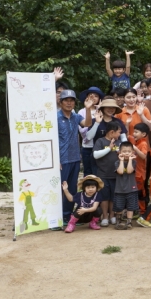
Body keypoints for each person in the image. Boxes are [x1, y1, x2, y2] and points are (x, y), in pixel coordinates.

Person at [57, 90, 94, 228]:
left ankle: (67, 215)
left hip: (75, 158)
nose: (69, 102)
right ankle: (56, 217)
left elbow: (88, 123)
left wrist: (88, 109)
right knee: (59, 189)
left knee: (72, 189)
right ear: (60, 102)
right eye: (66, 100)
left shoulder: (75, 116)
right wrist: (56, 159)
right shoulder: (55, 117)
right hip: (61, 160)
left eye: (71, 100)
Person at [93, 121, 122, 227]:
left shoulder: (119, 143)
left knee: (113, 196)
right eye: (118, 132)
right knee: (104, 197)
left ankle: (112, 216)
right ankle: (105, 216)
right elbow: (95, 155)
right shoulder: (100, 141)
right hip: (103, 174)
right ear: (112, 132)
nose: (120, 134)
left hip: (116, 174)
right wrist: (109, 149)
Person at [77, 86, 104, 176]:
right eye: (90, 95)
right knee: (88, 173)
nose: (93, 97)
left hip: (101, 147)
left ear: (99, 99)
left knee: (100, 172)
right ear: (86, 97)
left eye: (96, 96)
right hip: (88, 147)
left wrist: (101, 109)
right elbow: (83, 131)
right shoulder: (81, 112)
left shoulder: (103, 111)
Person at [113, 142, 139, 230]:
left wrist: (130, 160)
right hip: (119, 189)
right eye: (124, 151)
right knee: (119, 206)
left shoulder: (134, 162)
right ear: (119, 152)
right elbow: (120, 171)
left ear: (132, 152)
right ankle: (118, 221)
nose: (127, 153)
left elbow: (129, 171)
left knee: (130, 207)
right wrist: (121, 160)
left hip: (131, 188)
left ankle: (129, 221)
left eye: (129, 151)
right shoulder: (117, 162)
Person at [131, 122, 151, 218]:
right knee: (134, 192)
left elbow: (143, 156)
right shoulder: (136, 142)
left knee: (140, 192)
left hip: (139, 173)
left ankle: (142, 212)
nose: (134, 134)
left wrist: (135, 148)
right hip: (134, 172)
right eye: (133, 132)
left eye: (136, 132)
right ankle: (137, 210)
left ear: (143, 134)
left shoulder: (143, 143)